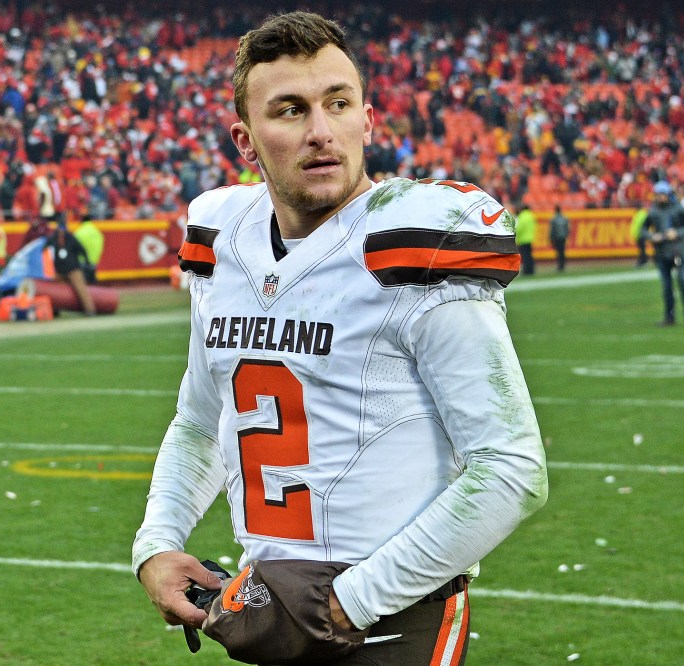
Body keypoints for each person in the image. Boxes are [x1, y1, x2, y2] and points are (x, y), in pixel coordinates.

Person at [133, 12, 548, 666]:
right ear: (246, 140)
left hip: (393, 619)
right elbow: (201, 419)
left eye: (338, 103)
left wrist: (349, 601)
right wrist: (156, 543)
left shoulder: (412, 241)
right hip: (273, 604)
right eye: (291, 110)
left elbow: (510, 467)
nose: (321, 132)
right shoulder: (225, 240)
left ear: (368, 120)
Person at [640, 180, 684, 326]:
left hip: (678, 251)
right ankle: (669, 317)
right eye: (658, 195)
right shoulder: (653, 211)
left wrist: (676, 233)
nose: (660, 197)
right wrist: (652, 236)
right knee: (666, 287)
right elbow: (643, 230)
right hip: (662, 252)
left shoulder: (678, 209)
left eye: (662, 194)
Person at [45, 214, 95, 315]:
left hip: (73, 269)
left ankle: (90, 310)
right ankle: (55, 310)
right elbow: (45, 249)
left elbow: (82, 250)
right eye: (60, 227)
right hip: (59, 270)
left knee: (81, 289)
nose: (61, 230)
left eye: (63, 227)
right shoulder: (53, 238)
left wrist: (87, 262)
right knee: (54, 290)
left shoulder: (71, 238)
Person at [514, 202, 537, 275]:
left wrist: (515, 234)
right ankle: (531, 270)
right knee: (529, 255)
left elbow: (519, 228)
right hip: (530, 238)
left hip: (523, 239)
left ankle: (526, 271)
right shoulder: (530, 215)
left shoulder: (522, 216)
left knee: (525, 256)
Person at [548, 205, 569, 271]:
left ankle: (560, 265)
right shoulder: (564, 218)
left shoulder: (554, 219)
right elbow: (567, 229)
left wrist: (551, 238)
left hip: (557, 238)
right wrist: (566, 235)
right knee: (562, 251)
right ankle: (563, 265)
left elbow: (552, 230)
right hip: (563, 237)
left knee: (558, 252)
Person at [629, 202, 649, 267]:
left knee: (642, 249)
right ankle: (643, 260)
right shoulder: (641, 214)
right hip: (639, 234)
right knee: (642, 249)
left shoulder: (640, 214)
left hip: (640, 235)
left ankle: (643, 261)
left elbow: (640, 225)